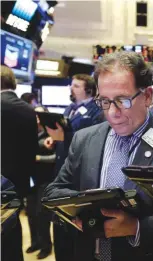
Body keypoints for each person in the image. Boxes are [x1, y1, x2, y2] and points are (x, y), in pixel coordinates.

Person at [44, 51, 153, 261]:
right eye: (104, 102)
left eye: (122, 100)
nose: (112, 113)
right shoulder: (84, 139)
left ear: (147, 96)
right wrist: (80, 210)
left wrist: (136, 227)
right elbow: (55, 190)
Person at [45, 73, 105, 261]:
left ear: (88, 89)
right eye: (72, 85)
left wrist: (65, 138)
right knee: (60, 225)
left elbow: (93, 143)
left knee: (77, 232)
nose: (72, 88)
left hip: (81, 174)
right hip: (63, 168)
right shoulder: (70, 108)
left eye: (77, 86)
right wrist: (53, 140)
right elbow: (63, 133)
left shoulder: (96, 111)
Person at [1, 65, 38, 261]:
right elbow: (32, 148)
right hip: (21, 180)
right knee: (13, 224)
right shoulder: (29, 110)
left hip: (1, 180)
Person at [26, 106, 55, 259]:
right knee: (30, 213)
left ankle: (46, 246)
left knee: (41, 214)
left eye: (39, 115)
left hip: (46, 179)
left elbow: (55, 158)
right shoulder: (28, 133)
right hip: (31, 179)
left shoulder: (51, 134)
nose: (36, 117)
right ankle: (35, 242)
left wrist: (37, 159)